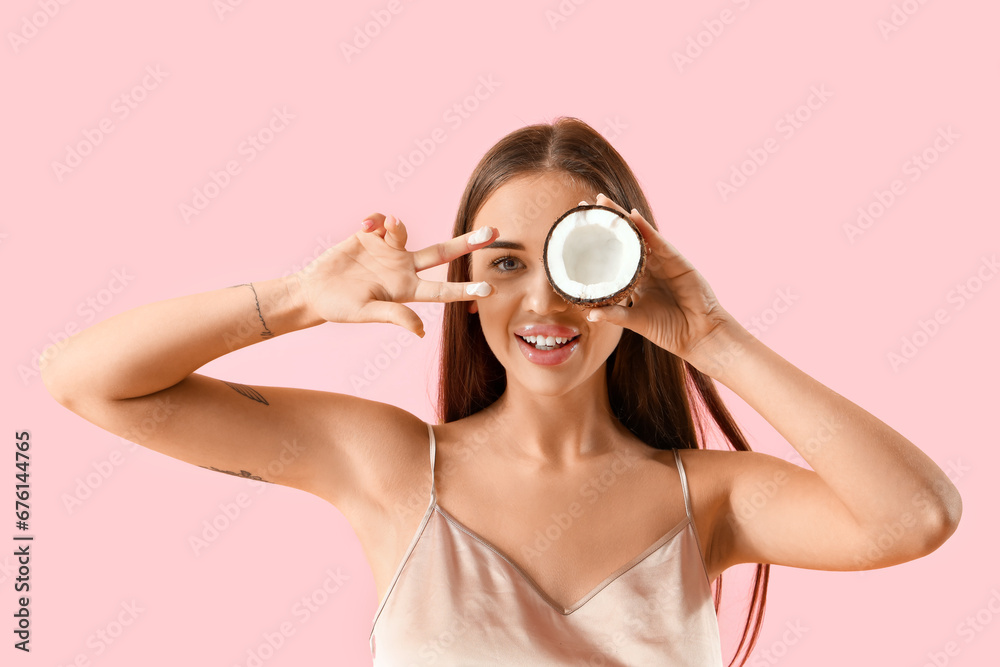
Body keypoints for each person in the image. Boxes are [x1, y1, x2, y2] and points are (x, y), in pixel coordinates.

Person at [41, 117, 962, 666]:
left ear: (630, 272)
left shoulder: (708, 498)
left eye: (577, 258)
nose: (543, 299)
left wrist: (712, 336)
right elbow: (86, 381)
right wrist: (298, 299)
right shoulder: (393, 466)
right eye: (506, 262)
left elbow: (917, 515)